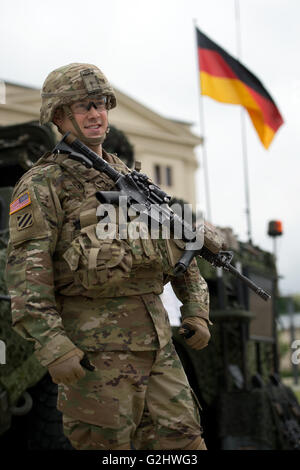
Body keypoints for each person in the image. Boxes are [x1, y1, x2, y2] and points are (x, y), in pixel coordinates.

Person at [5, 63, 212, 451]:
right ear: (59, 115)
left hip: (158, 345)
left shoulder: (132, 178)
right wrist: (52, 346)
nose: (95, 114)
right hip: (95, 352)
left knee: (184, 443)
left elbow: (180, 241)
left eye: (100, 104)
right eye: (82, 106)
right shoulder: (42, 182)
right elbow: (26, 274)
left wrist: (196, 308)